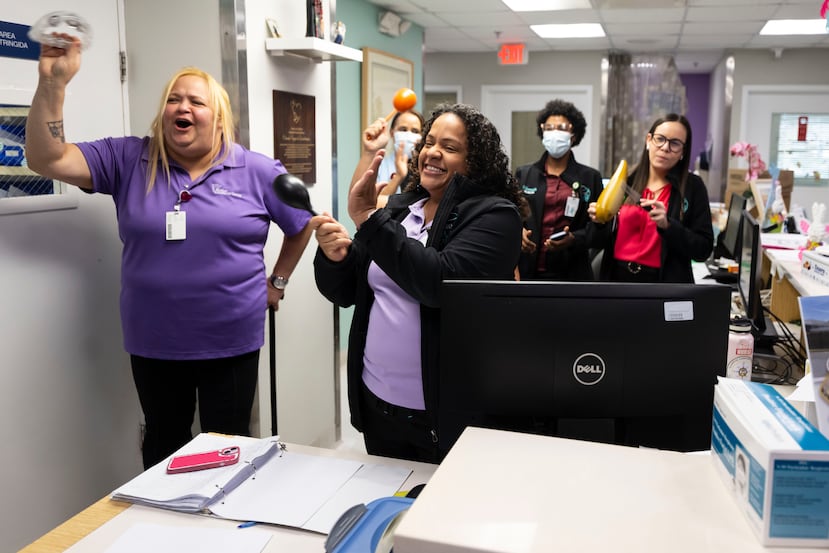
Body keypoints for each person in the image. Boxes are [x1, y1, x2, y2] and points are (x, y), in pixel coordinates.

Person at [25, 35, 317, 469]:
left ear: (218, 118)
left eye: (196, 102)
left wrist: (277, 282)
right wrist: (53, 85)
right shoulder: (127, 158)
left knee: (229, 445)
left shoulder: (257, 170)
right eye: (173, 100)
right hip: (155, 340)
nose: (183, 108)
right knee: (164, 442)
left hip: (231, 339)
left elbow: (302, 225)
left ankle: (226, 532)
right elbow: (45, 159)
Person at [314, 104, 526, 463]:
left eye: (450, 147)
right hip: (377, 402)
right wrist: (335, 259)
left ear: (475, 161)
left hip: (444, 413)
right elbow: (347, 293)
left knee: (441, 513)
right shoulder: (400, 210)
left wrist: (370, 220)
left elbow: (437, 284)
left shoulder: (496, 217)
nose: (432, 152)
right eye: (429, 142)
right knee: (385, 504)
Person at [587, 113, 713, 283]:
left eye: (675, 143)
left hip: (664, 285)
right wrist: (598, 221)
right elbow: (596, 241)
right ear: (648, 140)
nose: (665, 147)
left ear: (683, 151)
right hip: (616, 281)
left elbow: (703, 250)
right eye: (660, 139)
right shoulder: (625, 182)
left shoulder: (693, 187)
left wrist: (668, 225)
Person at [516, 99, 603, 281]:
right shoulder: (524, 174)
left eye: (562, 127)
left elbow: (600, 232)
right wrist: (518, 233)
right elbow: (510, 216)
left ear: (574, 134)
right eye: (549, 127)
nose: (555, 133)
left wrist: (574, 239)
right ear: (542, 131)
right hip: (528, 272)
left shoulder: (590, 177)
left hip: (573, 273)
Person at [352, 109, 424, 208]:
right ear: (392, 133)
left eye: (415, 131)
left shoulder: (426, 169)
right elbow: (362, 204)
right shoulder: (379, 166)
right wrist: (398, 177)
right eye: (403, 129)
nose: (408, 135)